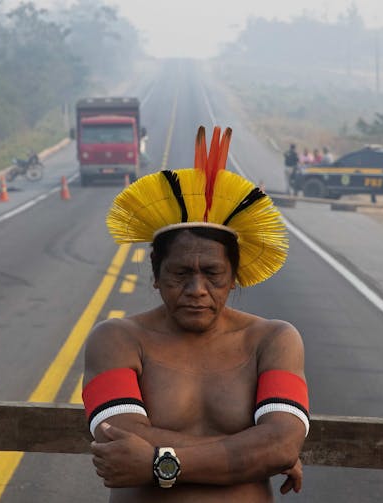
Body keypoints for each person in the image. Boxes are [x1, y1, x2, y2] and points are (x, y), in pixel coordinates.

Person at [83, 126, 308, 502]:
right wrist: (256, 450)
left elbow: (281, 444)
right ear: (156, 275)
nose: (197, 290)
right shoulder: (117, 339)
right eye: (181, 273)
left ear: (234, 277)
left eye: (213, 274)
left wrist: (157, 462)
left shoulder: (274, 340)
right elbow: (117, 436)